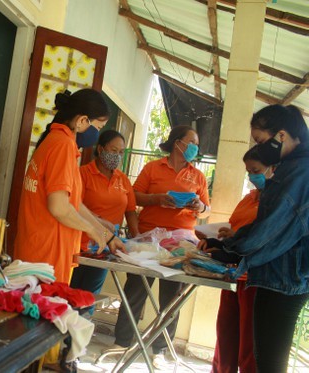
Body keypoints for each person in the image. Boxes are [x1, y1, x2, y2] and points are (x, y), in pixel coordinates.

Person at [216, 104, 309, 373]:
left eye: (260, 141)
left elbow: (274, 226)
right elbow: (264, 223)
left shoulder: (300, 171)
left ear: (281, 135)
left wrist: (234, 249)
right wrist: (233, 244)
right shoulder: (290, 167)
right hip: (279, 276)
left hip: (285, 280)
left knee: (268, 364)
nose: (259, 147)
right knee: (265, 359)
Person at [111, 125, 211, 368]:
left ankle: (160, 349)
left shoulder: (197, 176)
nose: (196, 147)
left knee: (171, 297)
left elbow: (207, 209)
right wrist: (157, 199)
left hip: (180, 243)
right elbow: (133, 197)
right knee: (135, 288)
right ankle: (123, 341)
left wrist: (200, 207)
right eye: (192, 142)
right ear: (177, 143)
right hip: (148, 237)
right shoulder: (152, 168)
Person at [14, 89, 125, 285]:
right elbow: (59, 207)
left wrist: (105, 235)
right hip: (46, 258)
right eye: (98, 127)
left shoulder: (55, 141)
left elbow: (73, 204)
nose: (97, 134)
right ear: (82, 121)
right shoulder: (62, 145)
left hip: (39, 254)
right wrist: (91, 230)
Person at [198, 146, 273, 373]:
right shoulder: (249, 199)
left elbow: (260, 237)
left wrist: (231, 243)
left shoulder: (276, 203)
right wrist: (215, 243)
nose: (251, 176)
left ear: (273, 169)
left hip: (254, 277)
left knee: (249, 346)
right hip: (232, 273)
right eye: (248, 171)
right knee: (226, 338)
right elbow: (235, 229)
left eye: (256, 170)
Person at [70, 129, 139, 299]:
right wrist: (99, 222)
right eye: (113, 151)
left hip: (105, 248)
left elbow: (130, 211)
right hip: (79, 246)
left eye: (121, 152)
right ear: (100, 150)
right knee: (68, 296)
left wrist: (137, 239)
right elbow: (74, 206)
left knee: (89, 300)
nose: (117, 156)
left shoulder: (123, 180)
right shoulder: (83, 174)